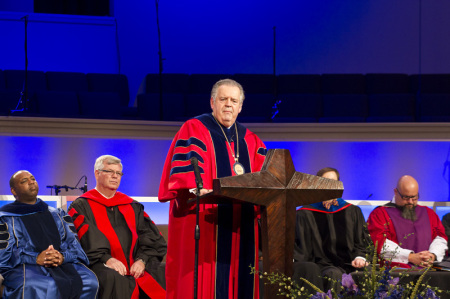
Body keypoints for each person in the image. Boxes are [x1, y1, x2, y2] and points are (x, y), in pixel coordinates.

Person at [158, 79, 267, 299]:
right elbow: (186, 176)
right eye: (223, 99)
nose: (228, 104)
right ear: (212, 102)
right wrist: (196, 189)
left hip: (240, 223)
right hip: (206, 219)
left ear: (240, 106)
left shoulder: (251, 140)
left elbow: (264, 181)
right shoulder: (194, 128)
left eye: (234, 100)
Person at [69, 155, 167, 299]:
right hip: (99, 262)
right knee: (111, 277)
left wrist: (142, 260)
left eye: (118, 173)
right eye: (110, 172)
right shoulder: (81, 206)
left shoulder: (132, 205)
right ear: (97, 173)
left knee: (162, 270)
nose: (115, 176)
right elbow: (84, 240)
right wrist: (108, 259)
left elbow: (149, 236)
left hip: (135, 263)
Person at [0, 170, 98, 298]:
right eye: (24, 181)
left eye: (33, 178)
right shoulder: (5, 218)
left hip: (62, 264)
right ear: (13, 191)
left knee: (89, 281)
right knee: (39, 285)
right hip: (25, 266)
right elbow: (4, 255)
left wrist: (62, 256)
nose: (31, 182)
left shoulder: (57, 214)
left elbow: (74, 245)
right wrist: (35, 258)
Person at [295, 167, 370, 292]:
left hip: (351, 264)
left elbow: (363, 243)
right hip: (322, 266)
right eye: (326, 182)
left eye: (334, 182)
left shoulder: (352, 211)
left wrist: (360, 258)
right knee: (333, 275)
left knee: (370, 273)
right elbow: (301, 252)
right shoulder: (304, 214)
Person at [367, 175, 448, 268]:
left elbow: (440, 238)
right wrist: (410, 257)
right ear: (396, 192)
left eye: (414, 198)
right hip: (396, 272)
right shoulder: (380, 214)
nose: (410, 202)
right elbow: (380, 243)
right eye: (406, 197)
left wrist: (432, 255)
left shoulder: (429, 213)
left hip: (428, 271)